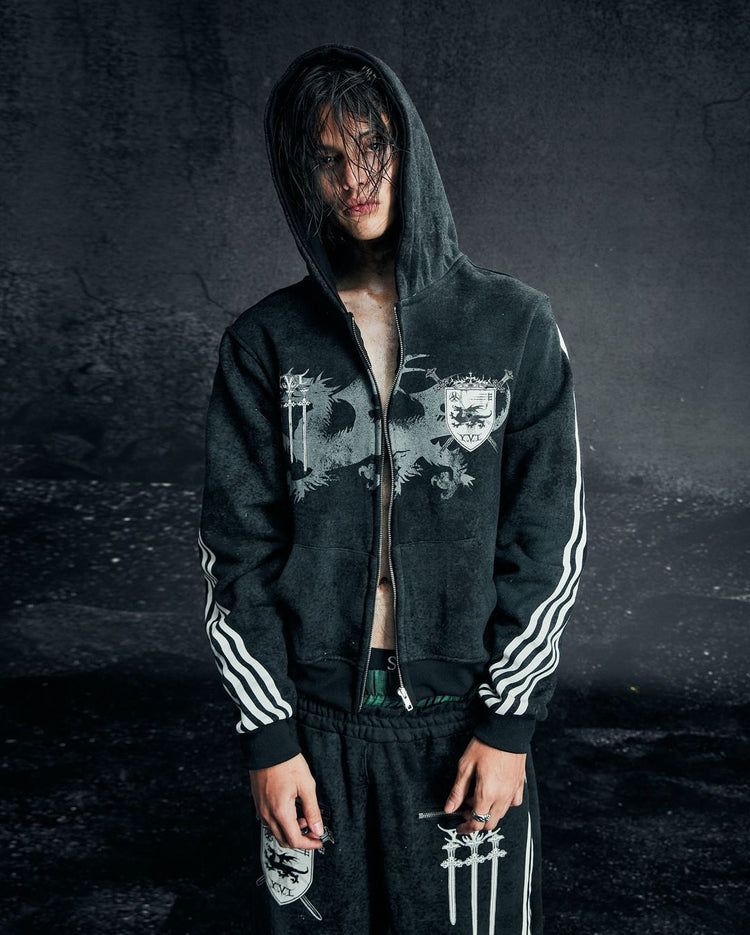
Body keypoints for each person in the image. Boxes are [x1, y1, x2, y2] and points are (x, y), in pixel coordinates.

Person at [199, 44, 586, 934]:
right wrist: (269, 736)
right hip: (313, 726)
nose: (355, 178)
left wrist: (508, 724)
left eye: (373, 146)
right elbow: (235, 554)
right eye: (328, 158)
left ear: (407, 147)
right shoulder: (265, 344)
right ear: (302, 177)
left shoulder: (515, 325)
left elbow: (549, 539)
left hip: (461, 723)